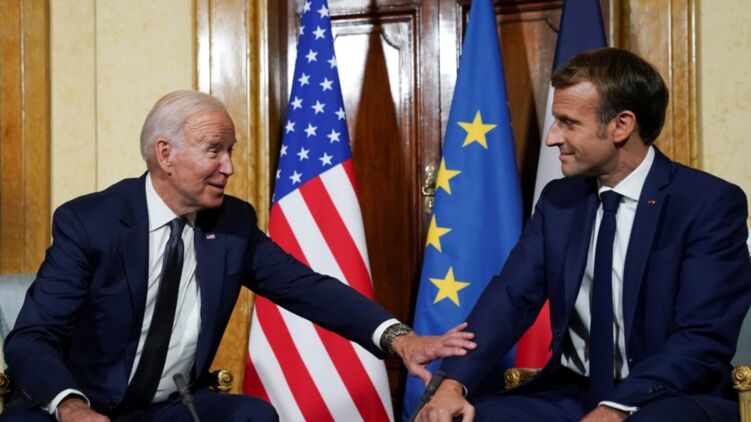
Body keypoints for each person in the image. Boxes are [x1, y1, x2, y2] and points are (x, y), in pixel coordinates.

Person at [1, 90, 476, 422]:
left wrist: (398, 339)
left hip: (165, 410)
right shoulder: (91, 222)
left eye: (230, 151)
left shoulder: (232, 224)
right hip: (74, 405)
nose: (229, 167)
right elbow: (31, 337)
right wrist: (71, 407)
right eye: (215, 151)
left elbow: (309, 289)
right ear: (165, 155)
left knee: (252, 415)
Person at [417, 48, 751, 422]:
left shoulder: (706, 203)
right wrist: (453, 383)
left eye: (568, 123)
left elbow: (702, 338)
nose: (552, 138)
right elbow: (510, 299)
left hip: (672, 395)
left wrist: (616, 408)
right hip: (575, 392)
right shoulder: (559, 201)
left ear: (621, 125)